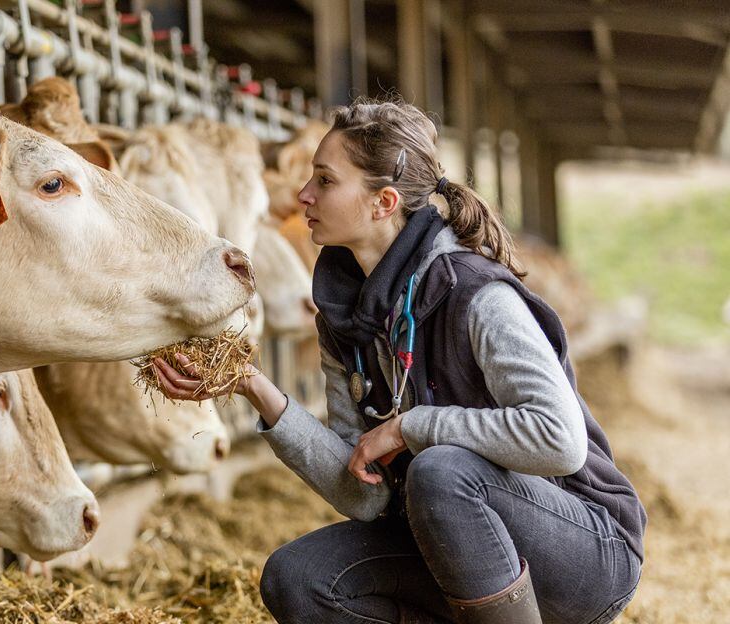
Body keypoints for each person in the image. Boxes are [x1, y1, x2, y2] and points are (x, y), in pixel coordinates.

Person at [152, 99, 645, 624]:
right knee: (299, 579)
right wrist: (254, 387)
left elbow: (560, 440)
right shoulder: (346, 318)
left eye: (324, 180)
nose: (304, 195)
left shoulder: (475, 296)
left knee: (441, 468)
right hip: (454, 543)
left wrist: (411, 427)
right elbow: (363, 496)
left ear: (382, 202)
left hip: (583, 545)